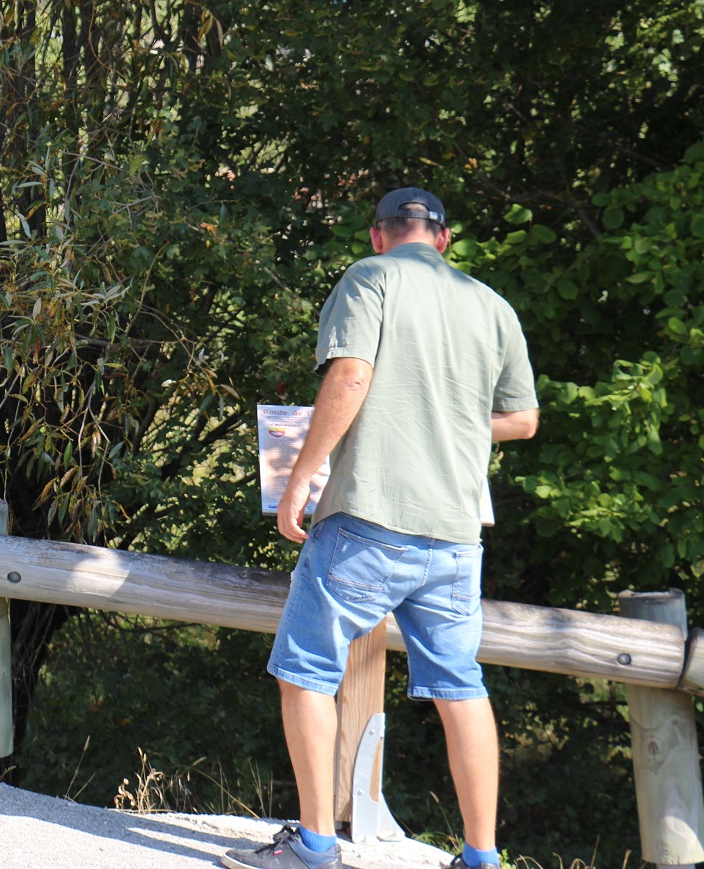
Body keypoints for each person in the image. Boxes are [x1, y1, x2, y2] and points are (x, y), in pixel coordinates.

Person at [223, 188, 540, 869]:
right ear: (444, 240)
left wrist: (305, 474)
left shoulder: (370, 279)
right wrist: (445, 424)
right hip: (456, 533)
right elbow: (522, 420)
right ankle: (483, 857)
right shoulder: (492, 306)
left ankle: (313, 846)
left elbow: (350, 376)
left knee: (306, 672)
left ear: (378, 236)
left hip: (369, 517)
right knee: (461, 686)